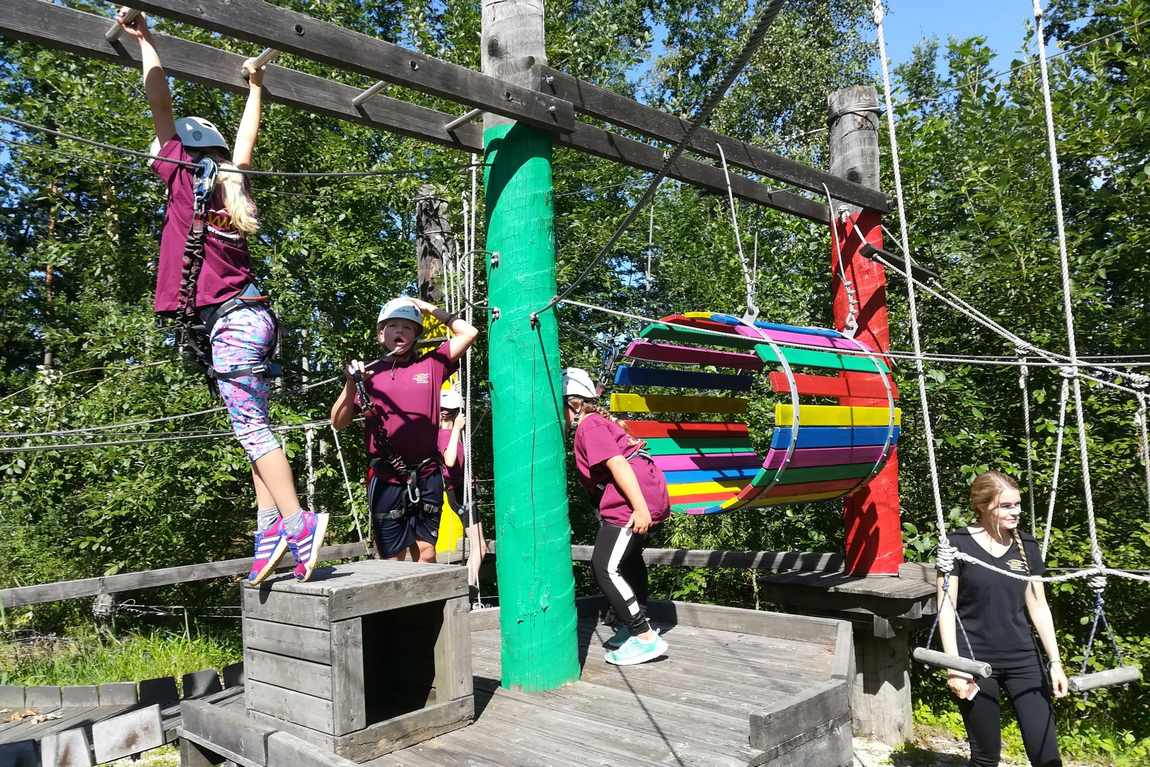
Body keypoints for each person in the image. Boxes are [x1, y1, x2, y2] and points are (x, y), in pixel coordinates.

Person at [118, 8, 326, 584]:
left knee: (252, 430)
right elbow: (246, 138)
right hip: (253, 317)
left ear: (180, 149)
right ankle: (268, 534)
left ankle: (297, 522)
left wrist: (147, 41)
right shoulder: (230, 185)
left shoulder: (184, 177)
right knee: (253, 423)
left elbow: (158, 100)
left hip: (232, 323)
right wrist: (256, 88)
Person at [331, 298, 478, 562]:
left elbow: (469, 332)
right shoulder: (368, 375)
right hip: (387, 476)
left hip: (427, 472)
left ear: (416, 336)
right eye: (393, 326)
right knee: (392, 557)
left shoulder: (432, 364)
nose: (400, 331)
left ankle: (428, 605)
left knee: (426, 551)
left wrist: (426, 307)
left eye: (408, 327)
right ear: (381, 334)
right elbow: (338, 422)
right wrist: (352, 384)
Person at [938, 470, 1067, 767]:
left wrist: (1056, 663)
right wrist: (954, 667)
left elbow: (1039, 607)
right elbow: (946, 607)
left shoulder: (1027, 545)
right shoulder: (957, 544)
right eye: (1006, 506)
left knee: (1047, 757)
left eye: (1018, 504)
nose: (1016, 512)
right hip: (975, 661)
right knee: (986, 759)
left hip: (1023, 659)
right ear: (983, 506)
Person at [563, 367, 671, 666]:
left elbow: (618, 464)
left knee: (604, 567)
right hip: (645, 492)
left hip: (633, 499)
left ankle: (644, 637)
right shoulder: (596, 423)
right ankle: (632, 623)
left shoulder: (589, 426)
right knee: (628, 560)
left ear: (573, 403)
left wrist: (639, 508)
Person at [438, 388, 487, 600]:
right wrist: (458, 428)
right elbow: (449, 460)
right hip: (459, 493)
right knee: (480, 547)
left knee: (480, 546)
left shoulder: (443, 435)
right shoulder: (444, 436)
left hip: (460, 492)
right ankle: (467, 588)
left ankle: (468, 586)